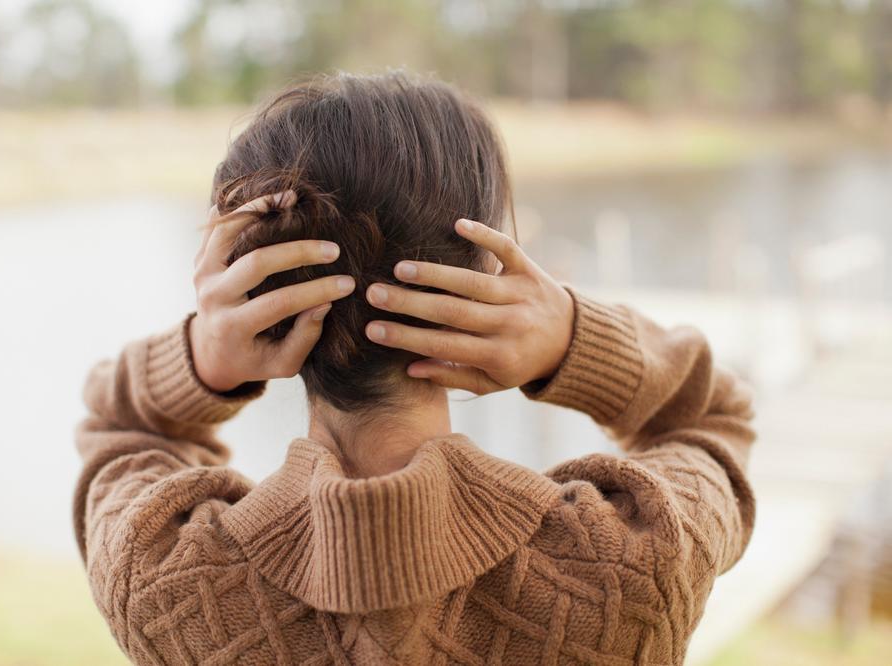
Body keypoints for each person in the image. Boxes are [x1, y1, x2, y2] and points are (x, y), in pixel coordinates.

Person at [73, 71, 756, 665]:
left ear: (252, 298)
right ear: (487, 274)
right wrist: (573, 339)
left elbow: (121, 429)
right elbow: (712, 421)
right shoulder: (635, 562)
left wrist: (202, 359)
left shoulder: (161, 577)